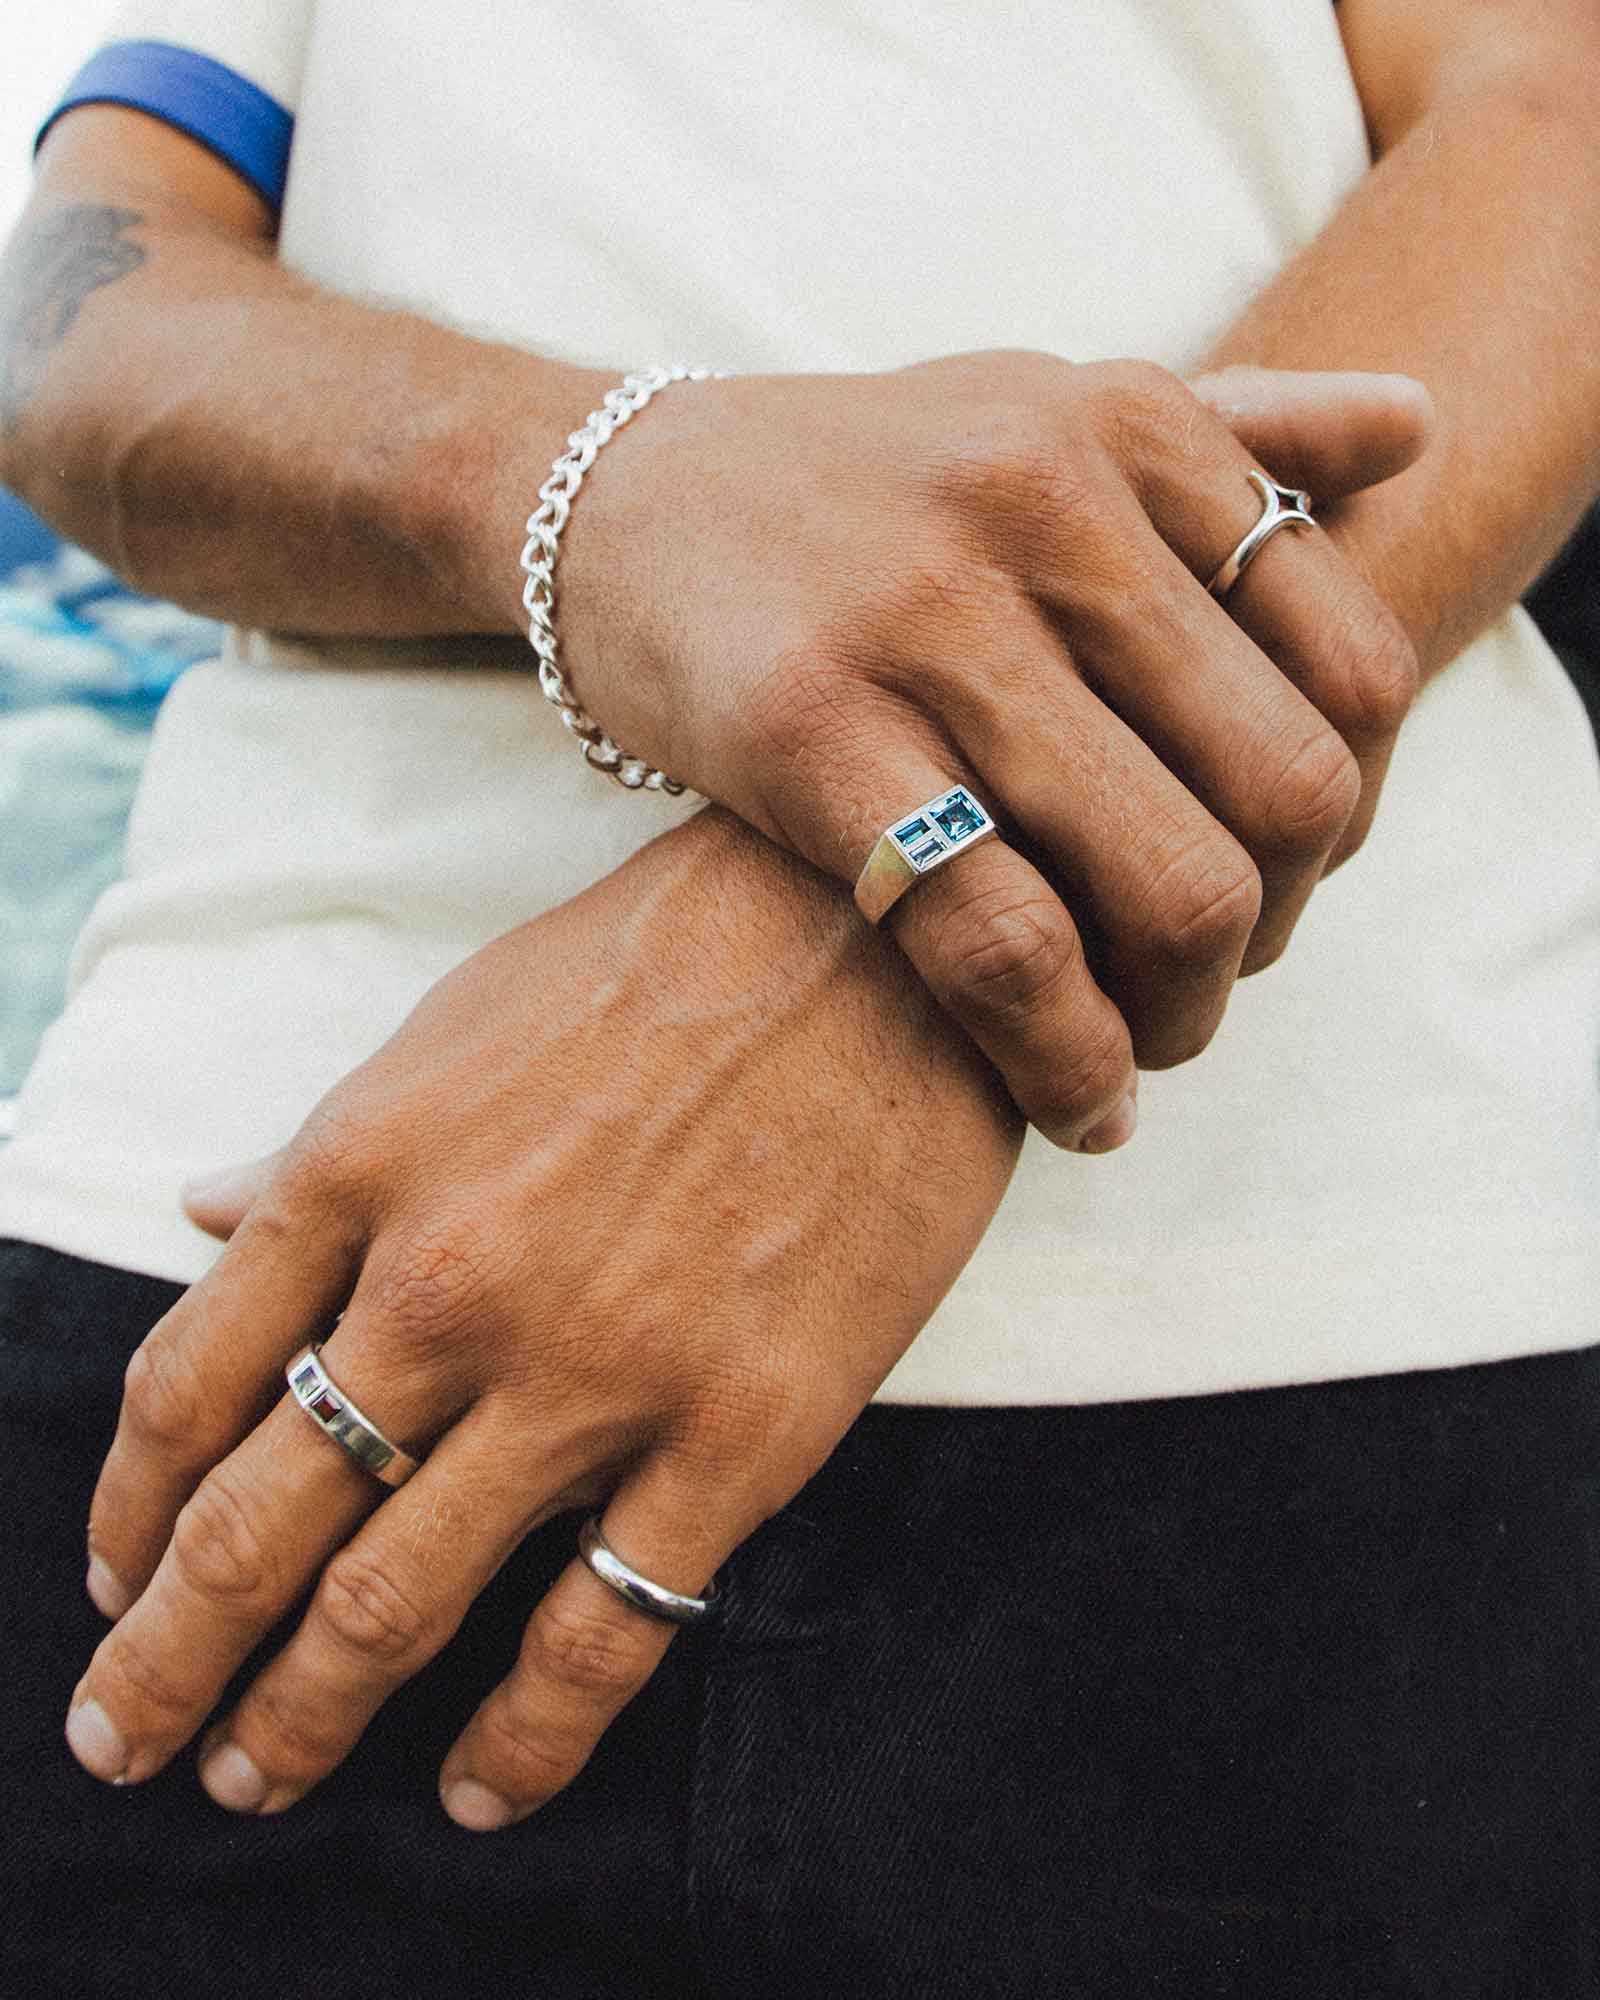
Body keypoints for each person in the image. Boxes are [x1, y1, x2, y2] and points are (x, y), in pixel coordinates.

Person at [1, 2, 1597, 1993]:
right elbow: (79, 313)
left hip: (1319, 1337)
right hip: (286, 1284)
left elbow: (1553, 122)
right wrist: (606, 494)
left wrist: (865, 945)